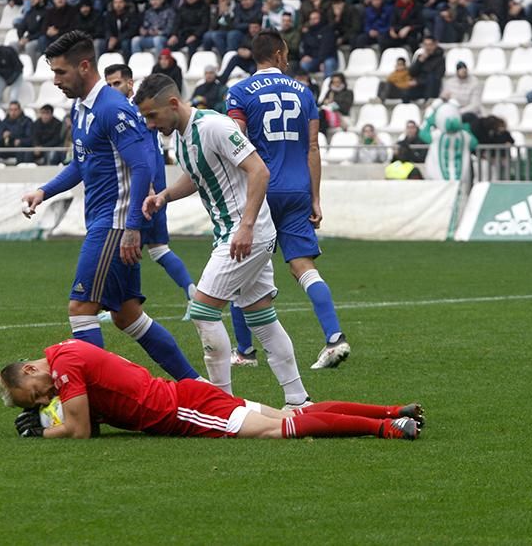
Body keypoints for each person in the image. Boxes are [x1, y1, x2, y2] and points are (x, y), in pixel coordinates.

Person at [19, 31, 199, 382]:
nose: (55, 81)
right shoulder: (81, 107)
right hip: (107, 221)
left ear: (84, 66)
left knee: (81, 310)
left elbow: (144, 165)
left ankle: (99, 398)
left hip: (115, 223)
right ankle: (196, 383)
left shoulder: (112, 108)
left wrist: (132, 227)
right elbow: (80, 164)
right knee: (128, 316)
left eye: (61, 73)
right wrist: (44, 191)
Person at [135, 74, 311, 407]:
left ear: (173, 104)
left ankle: (222, 405)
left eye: (152, 115)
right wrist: (164, 196)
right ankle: (298, 398)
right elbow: (197, 175)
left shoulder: (214, 126)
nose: (149, 123)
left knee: (202, 310)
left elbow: (259, 170)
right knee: (262, 317)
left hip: (245, 233)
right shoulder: (182, 137)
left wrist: (245, 226)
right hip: (235, 233)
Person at [0, 339, 424, 439]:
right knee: (291, 416)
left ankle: (385, 429)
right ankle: (388, 412)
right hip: (186, 397)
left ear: (32, 368)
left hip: (180, 410)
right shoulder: (68, 356)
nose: (43, 398)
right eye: (36, 401)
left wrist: (41, 428)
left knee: (281, 431)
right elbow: (86, 418)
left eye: (35, 392)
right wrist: (49, 417)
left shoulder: (65, 364)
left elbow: (80, 430)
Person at [226, 30, 350, 370]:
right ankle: (334, 338)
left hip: (261, 190)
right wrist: (315, 197)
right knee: (304, 267)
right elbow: (312, 147)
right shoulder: (304, 93)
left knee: (241, 268)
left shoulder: (238, 92)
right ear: (280, 54)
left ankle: (245, 352)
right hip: (297, 189)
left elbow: (237, 142)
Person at [104, 64, 197, 318]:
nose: (113, 89)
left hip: (146, 193)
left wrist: (152, 187)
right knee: (157, 249)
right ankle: (192, 294)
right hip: (151, 190)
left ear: (130, 84)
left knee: (127, 247)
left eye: (117, 84)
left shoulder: (137, 114)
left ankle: (117, 305)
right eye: (108, 85)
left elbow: (148, 157)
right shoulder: (131, 113)